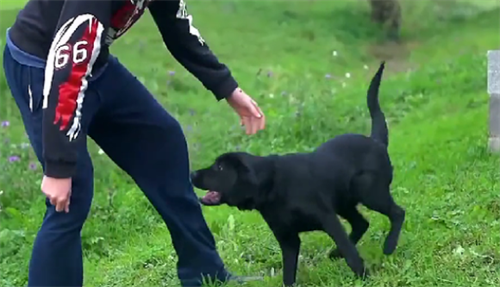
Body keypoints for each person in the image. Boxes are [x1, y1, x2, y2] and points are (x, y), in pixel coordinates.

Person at [2, 0, 266, 286]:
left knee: (163, 143)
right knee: (71, 193)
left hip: (92, 61)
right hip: (43, 67)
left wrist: (227, 87)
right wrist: (58, 166)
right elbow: (68, 64)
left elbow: (177, 26)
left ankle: (205, 274)